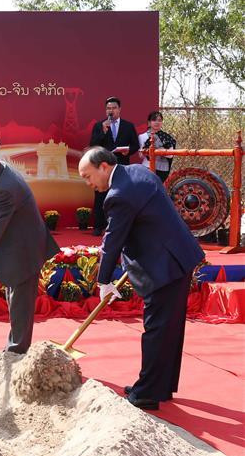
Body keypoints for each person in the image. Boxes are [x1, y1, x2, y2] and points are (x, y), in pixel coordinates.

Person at [78, 147, 204, 410]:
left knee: (157, 329)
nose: (88, 183)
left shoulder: (119, 195)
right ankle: (161, 386)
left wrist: (103, 282)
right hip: (176, 255)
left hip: (164, 264)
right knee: (169, 328)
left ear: (103, 167)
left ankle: (146, 393)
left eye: (88, 176)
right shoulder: (137, 172)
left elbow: (112, 240)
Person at [0, 140, 59, 354]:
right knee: (15, 300)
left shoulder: (5, 189)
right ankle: (15, 349)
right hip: (15, 245)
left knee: (20, 306)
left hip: (23, 251)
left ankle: (16, 353)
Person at [89, 96, 139, 235]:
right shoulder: (100, 126)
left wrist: (128, 151)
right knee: (101, 195)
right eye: (108, 108)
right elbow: (93, 145)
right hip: (103, 166)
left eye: (114, 108)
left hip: (121, 165)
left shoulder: (128, 126)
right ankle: (98, 226)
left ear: (119, 109)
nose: (111, 111)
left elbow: (135, 145)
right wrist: (103, 131)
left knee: (121, 195)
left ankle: (122, 226)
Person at [139, 110, 176, 183]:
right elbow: (141, 155)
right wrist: (161, 150)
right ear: (149, 123)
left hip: (162, 169)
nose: (157, 122)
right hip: (147, 167)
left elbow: (170, 155)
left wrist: (156, 151)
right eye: (154, 120)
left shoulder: (167, 137)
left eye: (159, 120)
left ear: (162, 122)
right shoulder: (142, 136)